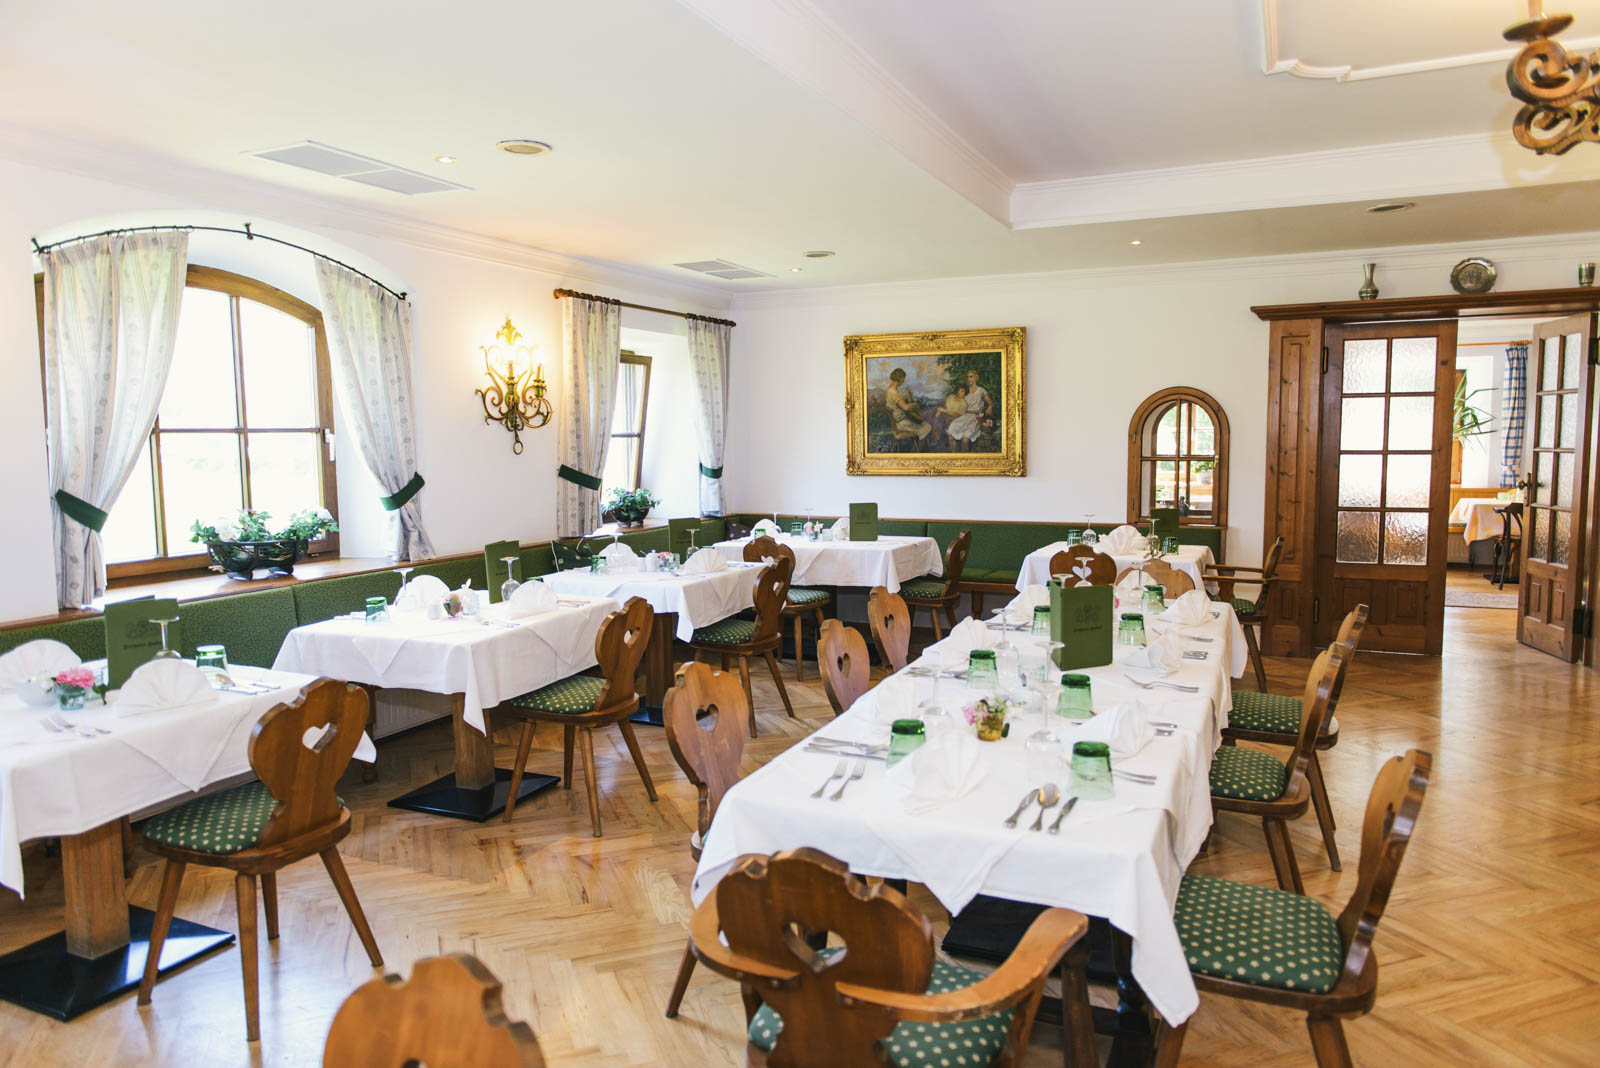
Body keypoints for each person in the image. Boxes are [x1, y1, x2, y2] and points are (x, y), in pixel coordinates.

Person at [884, 367, 930, 450]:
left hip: (898, 421)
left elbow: (897, 403)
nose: (904, 381)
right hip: (901, 423)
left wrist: (906, 397)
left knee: (923, 425)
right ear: (900, 378)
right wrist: (914, 404)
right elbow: (905, 408)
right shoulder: (894, 392)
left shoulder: (890, 390)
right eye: (903, 379)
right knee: (927, 427)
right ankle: (916, 453)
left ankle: (914, 450)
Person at [942, 384, 980, 452]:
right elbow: (944, 403)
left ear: (965, 393)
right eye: (959, 390)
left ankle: (959, 454)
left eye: (962, 391)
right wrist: (944, 410)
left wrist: (945, 411)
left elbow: (957, 415)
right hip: (945, 415)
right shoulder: (951, 396)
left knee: (958, 437)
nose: (959, 392)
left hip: (955, 418)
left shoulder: (964, 403)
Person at [962, 369, 993, 444]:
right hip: (965, 416)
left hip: (976, 417)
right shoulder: (965, 390)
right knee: (952, 434)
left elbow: (990, 403)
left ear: (976, 378)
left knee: (965, 439)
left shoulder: (981, 390)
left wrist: (990, 407)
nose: (968, 379)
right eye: (967, 377)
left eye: (971, 377)